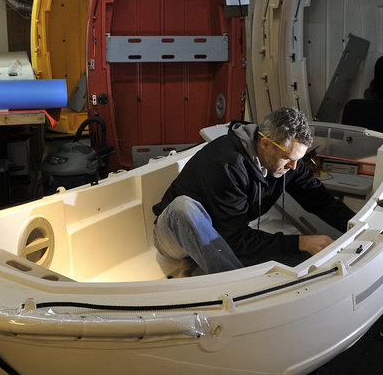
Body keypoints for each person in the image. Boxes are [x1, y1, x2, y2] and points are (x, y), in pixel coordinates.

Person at [152, 107, 355, 274]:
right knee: (183, 208)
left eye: (298, 159)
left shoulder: (289, 162)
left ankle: (200, 266)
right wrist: (299, 242)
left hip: (224, 233)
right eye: (289, 159)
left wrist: (358, 226)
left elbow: (322, 201)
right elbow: (236, 238)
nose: (294, 167)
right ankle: (237, 288)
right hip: (174, 233)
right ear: (266, 144)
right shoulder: (226, 164)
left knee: (306, 261)